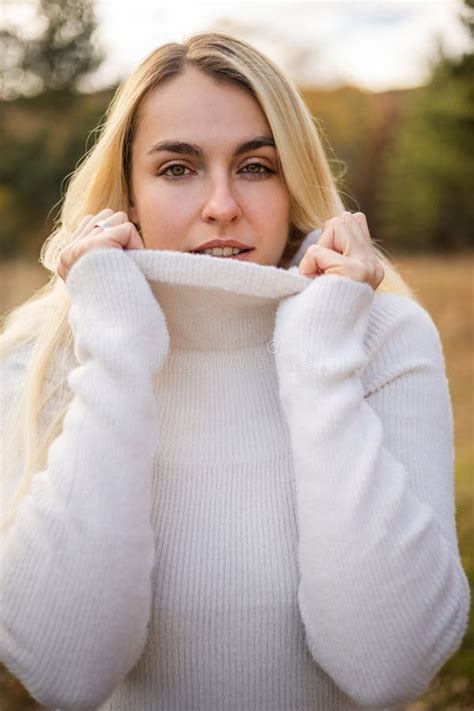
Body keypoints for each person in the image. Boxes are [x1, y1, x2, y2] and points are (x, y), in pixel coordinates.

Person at [0, 31, 469, 711]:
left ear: (294, 181)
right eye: (178, 169)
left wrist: (316, 360)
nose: (221, 204)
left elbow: (392, 666)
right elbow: (64, 672)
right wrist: (119, 350)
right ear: (128, 193)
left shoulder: (383, 335)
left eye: (255, 166)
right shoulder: (38, 350)